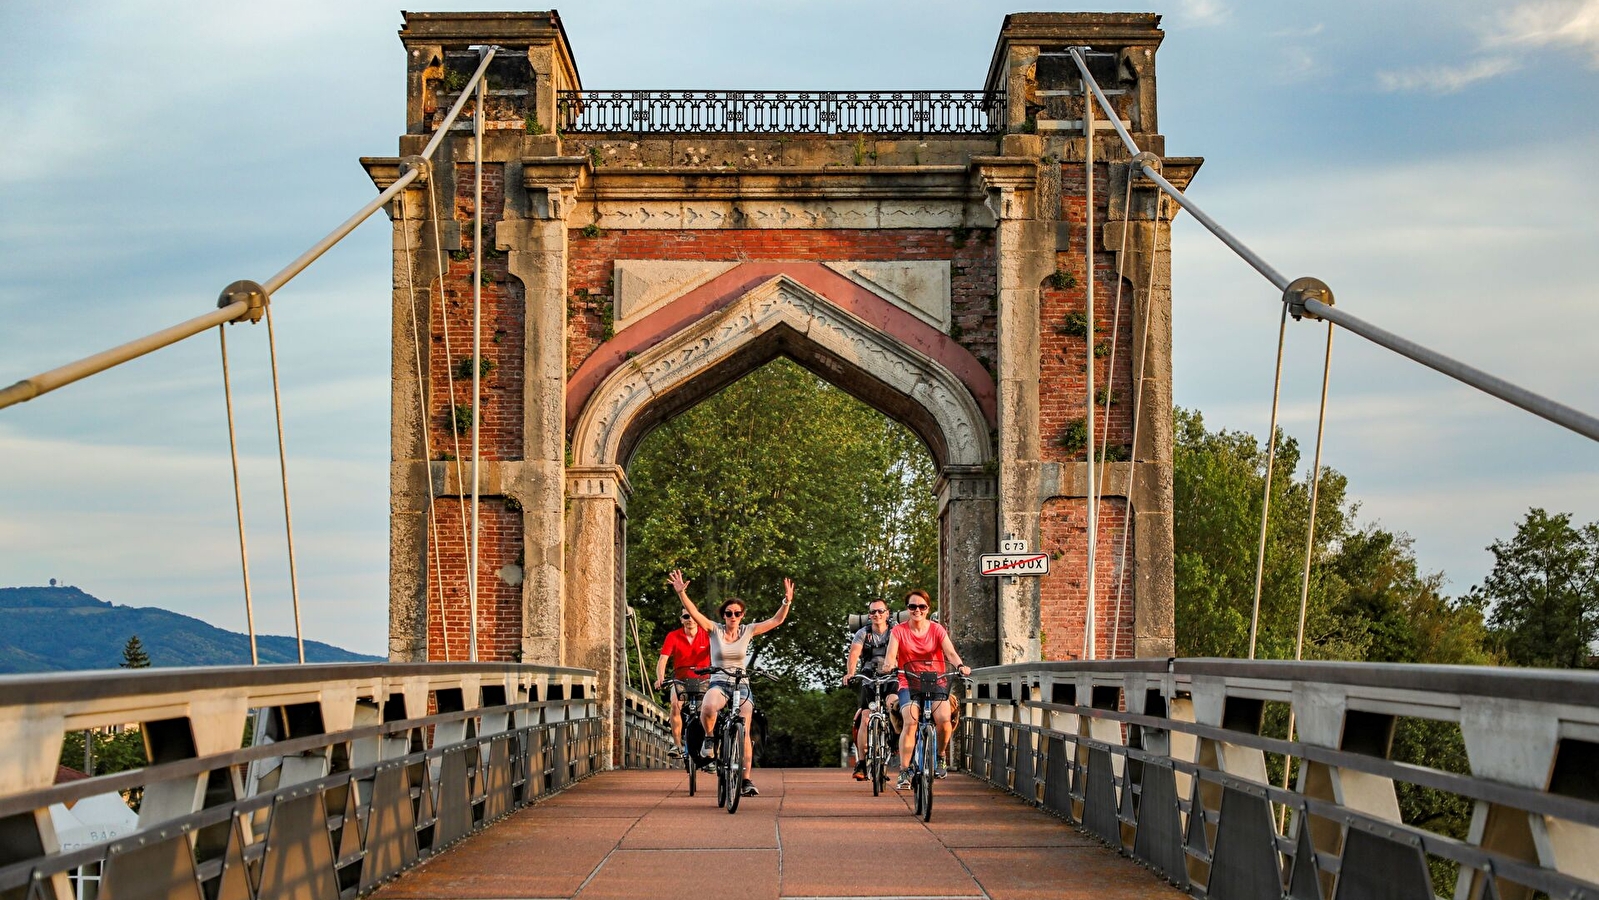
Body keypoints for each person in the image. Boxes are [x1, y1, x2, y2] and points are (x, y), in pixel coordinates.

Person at [668, 569, 794, 798]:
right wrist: (681, 593)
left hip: (742, 685)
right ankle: (709, 738)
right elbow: (694, 613)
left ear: (742, 615)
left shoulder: (748, 631)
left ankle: (745, 780)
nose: (733, 617)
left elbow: (777, 620)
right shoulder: (714, 630)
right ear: (723, 615)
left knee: (744, 729)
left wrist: (786, 601)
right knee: (707, 707)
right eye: (728, 613)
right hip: (719, 682)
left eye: (737, 613)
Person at [879, 588, 970, 789]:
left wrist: (961, 666)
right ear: (907, 609)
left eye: (921, 606)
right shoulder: (899, 631)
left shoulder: (937, 630)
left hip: (935, 681)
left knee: (944, 720)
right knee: (911, 721)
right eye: (912, 606)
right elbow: (891, 655)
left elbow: (951, 653)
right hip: (908, 681)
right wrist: (889, 665)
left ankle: (940, 756)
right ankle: (904, 771)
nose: (917, 610)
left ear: (928, 609)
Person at [841, 597, 897, 781]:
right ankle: (862, 763)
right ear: (869, 615)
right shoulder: (863, 633)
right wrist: (850, 673)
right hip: (869, 678)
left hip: (892, 676)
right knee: (865, 717)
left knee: (893, 705)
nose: (877, 615)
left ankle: (895, 741)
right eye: (873, 612)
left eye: (881, 611)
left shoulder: (896, 631)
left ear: (887, 613)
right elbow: (854, 653)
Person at [653, 609, 710, 758]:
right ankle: (677, 745)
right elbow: (663, 659)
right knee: (675, 704)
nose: (690, 619)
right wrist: (660, 677)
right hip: (680, 679)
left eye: (692, 616)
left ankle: (708, 745)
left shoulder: (707, 635)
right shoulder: (673, 636)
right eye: (686, 616)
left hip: (704, 678)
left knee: (708, 709)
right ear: (681, 620)